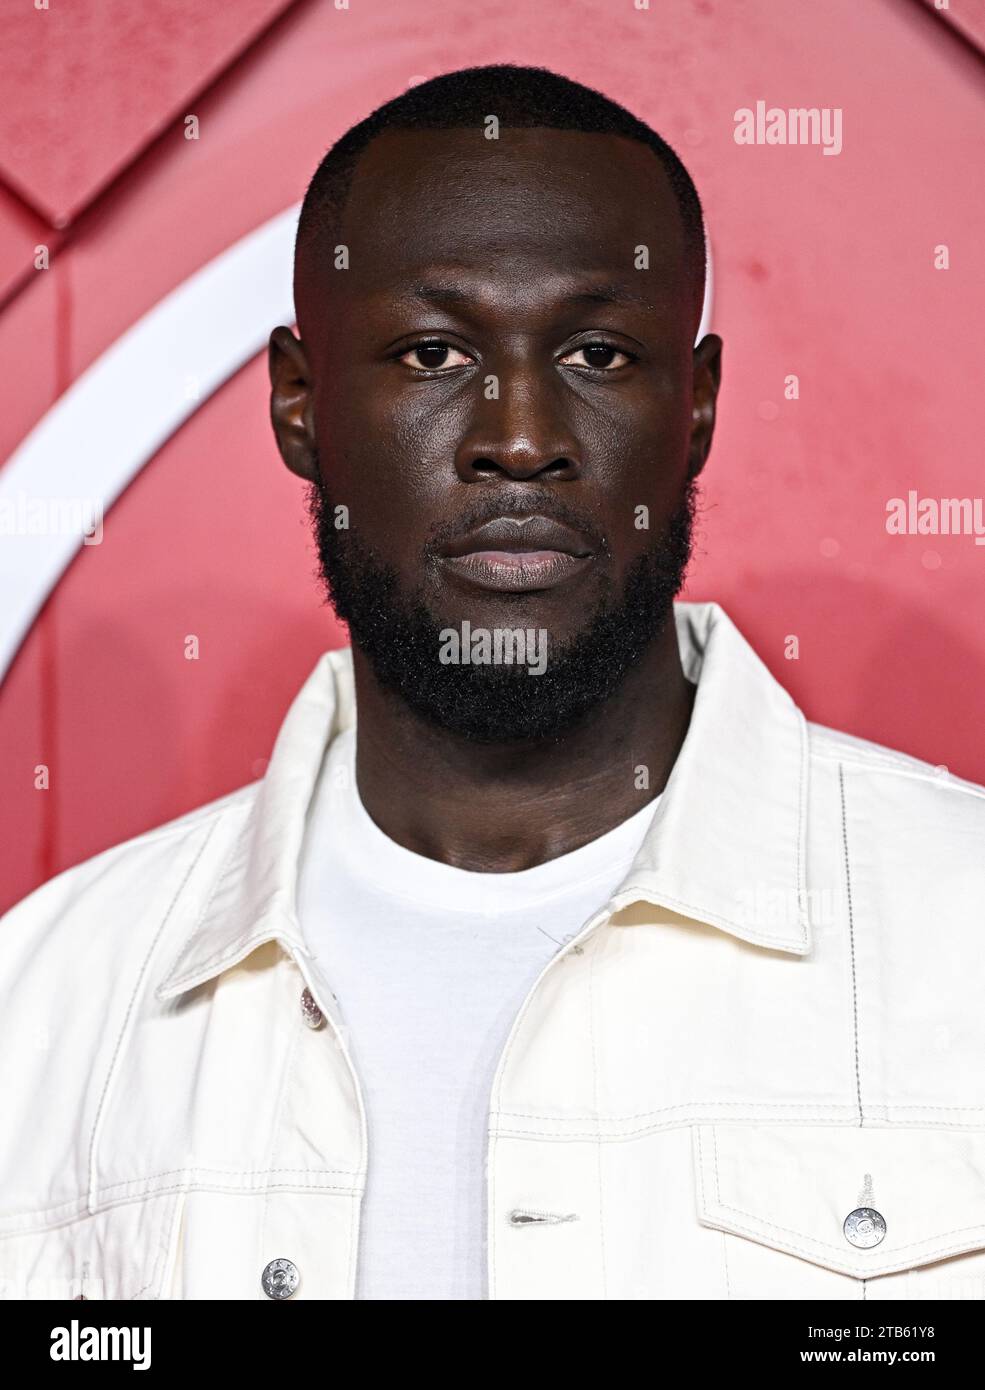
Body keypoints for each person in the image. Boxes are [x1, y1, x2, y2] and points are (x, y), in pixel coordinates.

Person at [2, 65, 984, 1303]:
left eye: (594, 350)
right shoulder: (43, 1010)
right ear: (299, 405)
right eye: (431, 352)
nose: (519, 435)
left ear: (697, 406)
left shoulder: (964, 936)